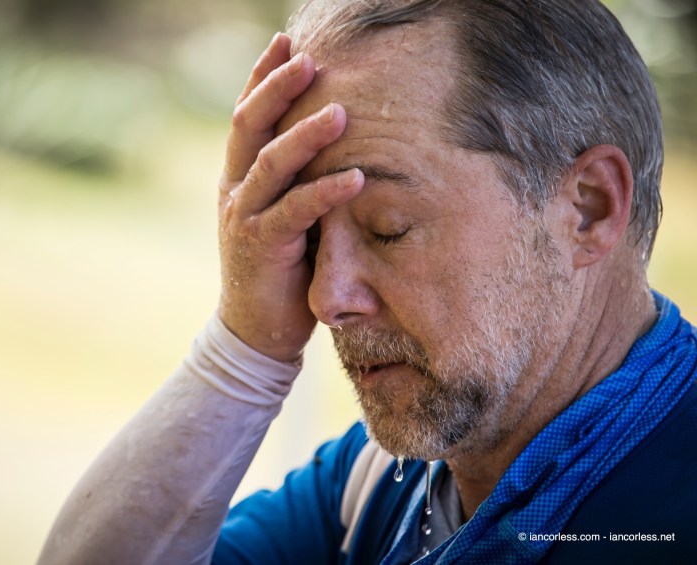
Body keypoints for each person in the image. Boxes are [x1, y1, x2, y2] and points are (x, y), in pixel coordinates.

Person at [38, 0, 697, 563]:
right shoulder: (377, 482)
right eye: (309, 234)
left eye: (388, 229)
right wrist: (244, 351)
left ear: (588, 208)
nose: (326, 299)